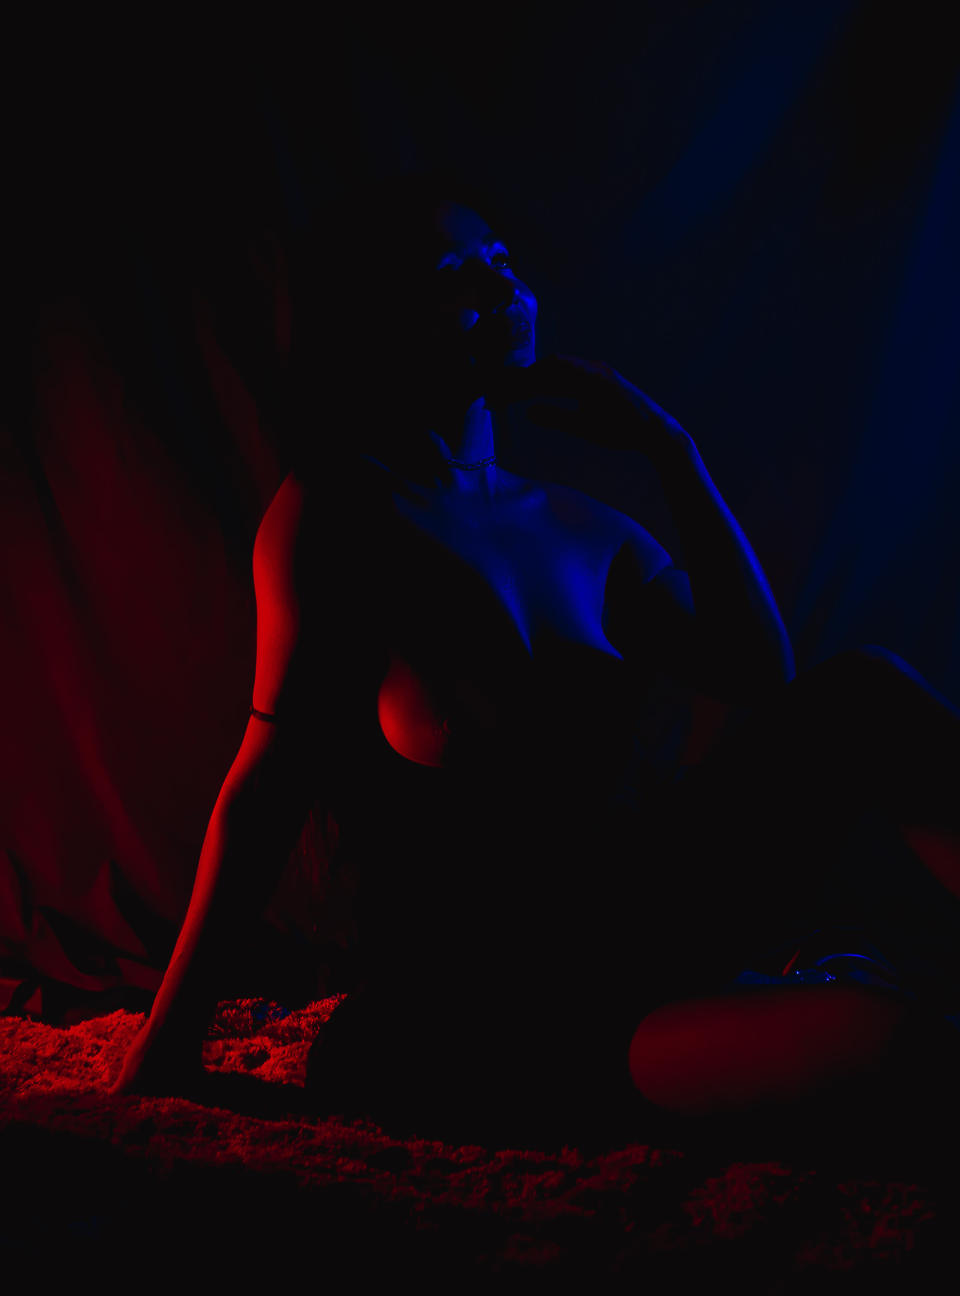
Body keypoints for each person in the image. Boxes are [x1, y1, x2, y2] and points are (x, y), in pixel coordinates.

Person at [109, 171, 960, 1151]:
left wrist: (671, 451)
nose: (503, 288)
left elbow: (764, 675)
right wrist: (167, 1043)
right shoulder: (338, 512)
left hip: (638, 924)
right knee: (897, 1049)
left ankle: (768, 998)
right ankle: (783, 1011)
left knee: (869, 692)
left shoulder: (578, 527)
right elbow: (267, 786)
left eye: (503, 262)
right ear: (383, 322)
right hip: (483, 1009)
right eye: (455, 276)